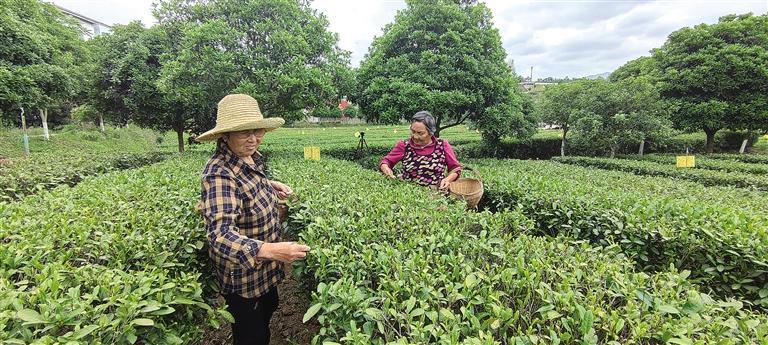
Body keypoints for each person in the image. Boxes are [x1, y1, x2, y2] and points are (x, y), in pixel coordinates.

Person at [196, 94, 310, 345]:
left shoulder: (248, 157)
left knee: (269, 308)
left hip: (265, 270)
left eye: (258, 131)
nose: (253, 139)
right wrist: (272, 250)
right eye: (244, 133)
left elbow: (245, 186)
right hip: (244, 278)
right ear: (225, 135)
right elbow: (220, 235)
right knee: (251, 335)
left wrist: (268, 185)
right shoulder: (219, 174)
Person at [380, 111, 462, 190]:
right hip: (409, 192)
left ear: (431, 132)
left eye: (420, 133)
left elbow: (455, 168)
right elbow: (386, 162)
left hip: (437, 192)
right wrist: (386, 169)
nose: (415, 136)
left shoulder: (442, 145)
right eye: (413, 131)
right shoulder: (404, 145)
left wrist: (448, 180)